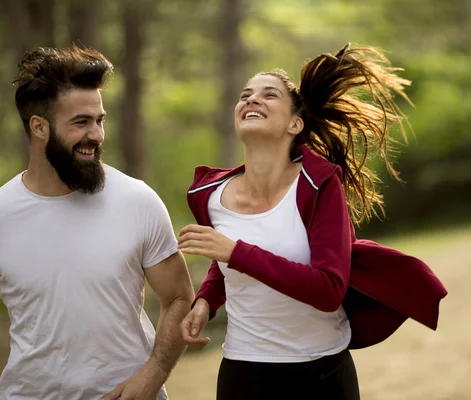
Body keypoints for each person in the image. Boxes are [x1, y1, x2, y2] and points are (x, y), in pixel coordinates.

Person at [177, 43, 447, 400]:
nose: (251, 100)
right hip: (243, 372)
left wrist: (237, 252)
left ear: (295, 123)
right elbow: (223, 259)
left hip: (320, 373)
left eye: (267, 95)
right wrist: (206, 300)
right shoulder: (210, 196)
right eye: (245, 95)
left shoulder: (318, 185)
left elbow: (328, 289)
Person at [0, 45, 194, 400]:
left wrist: (151, 377)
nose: (96, 135)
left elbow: (178, 297)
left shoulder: (138, 201)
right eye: (81, 123)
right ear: (39, 127)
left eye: (100, 120)